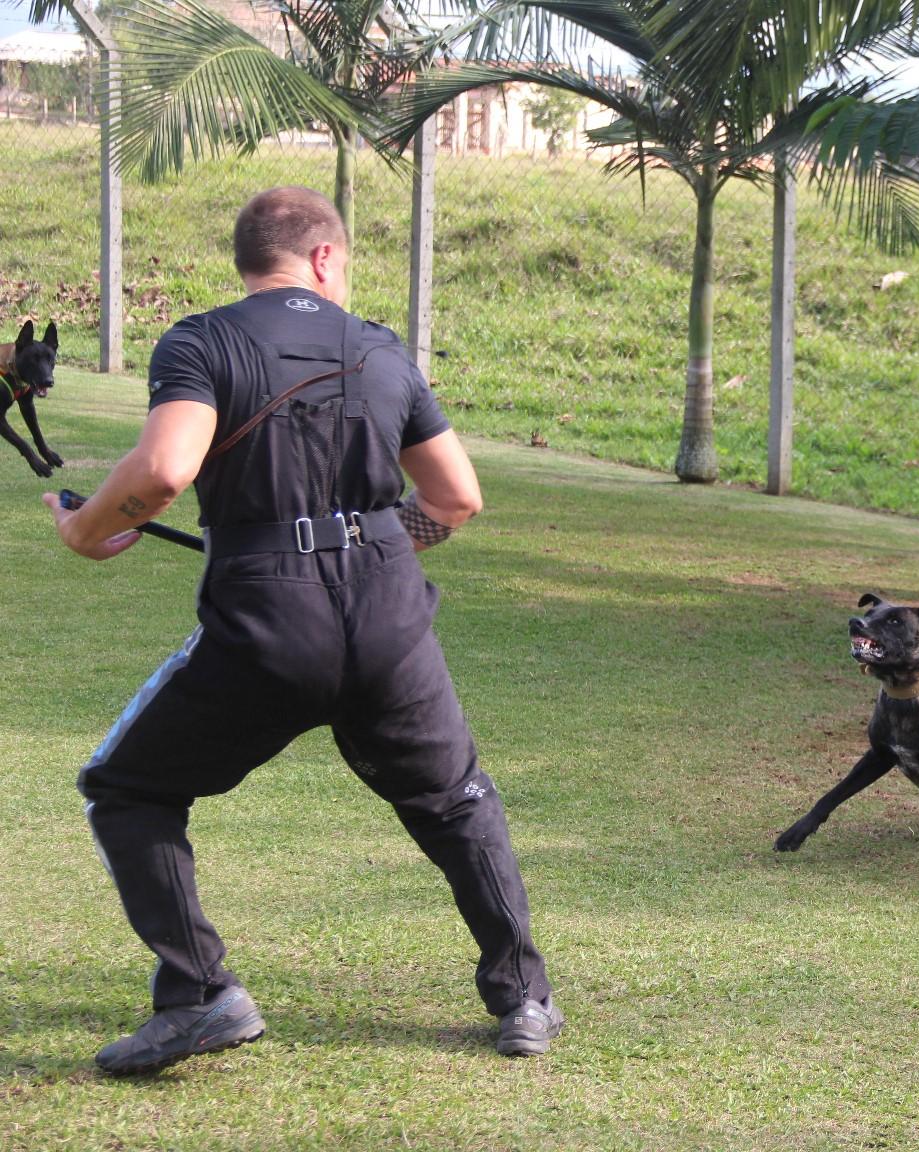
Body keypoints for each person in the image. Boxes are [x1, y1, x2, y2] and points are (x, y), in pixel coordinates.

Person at [45, 186, 559, 1075]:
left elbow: (165, 468)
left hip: (266, 620)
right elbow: (456, 499)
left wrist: (86, 528)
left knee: (126, 787)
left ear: (251, 260)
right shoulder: (380, 349)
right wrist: (379, 544)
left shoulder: (203, 340)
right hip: (390, 613)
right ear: (325, 258)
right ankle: (523, 1001)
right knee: (455, 801)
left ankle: (204, 996)